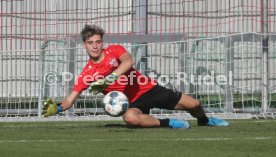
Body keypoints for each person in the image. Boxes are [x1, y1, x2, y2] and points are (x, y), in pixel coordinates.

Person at [42, 24, 229, 129]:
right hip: (130, 103)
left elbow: (128, 61)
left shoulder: (114, 51)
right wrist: (57, 109)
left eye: (98, 42)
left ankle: (204, 121)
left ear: (102, 42)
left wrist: (108, 79)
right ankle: (167, 122)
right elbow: (69, 101)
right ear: (84, 45)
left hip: (148, 89)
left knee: (194, 104)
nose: (95, 46)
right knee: (130, 119)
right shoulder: (87, 74)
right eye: (90, 43)